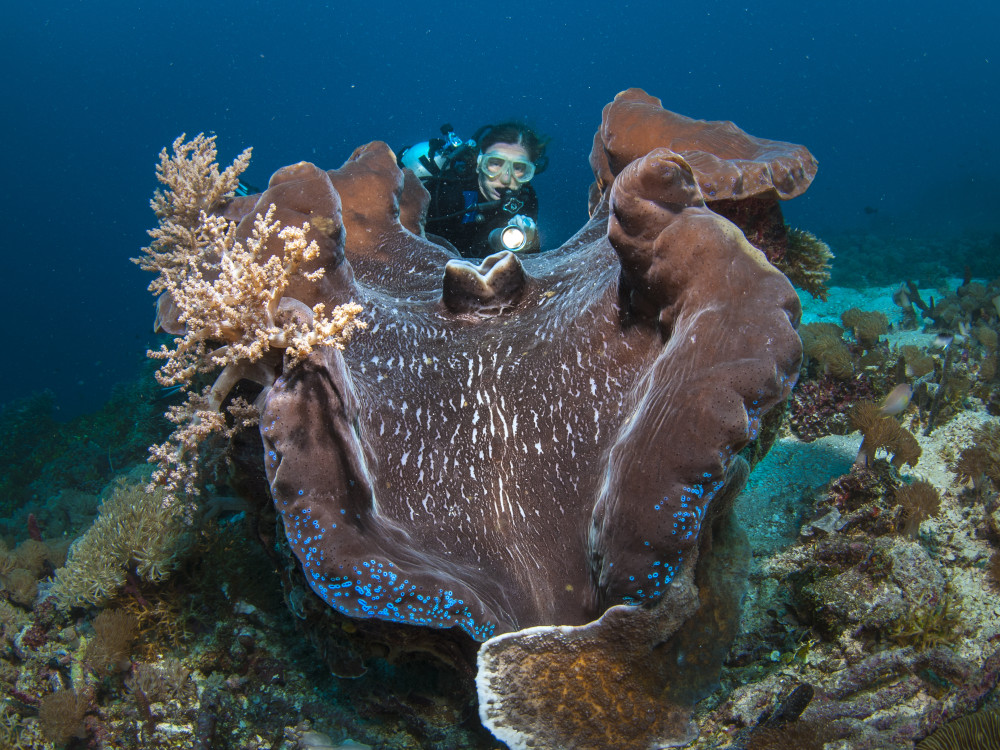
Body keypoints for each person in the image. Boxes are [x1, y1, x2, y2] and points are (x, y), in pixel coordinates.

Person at [398, 122, 548, 259]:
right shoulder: (448, 193)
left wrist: (529, 242)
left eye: (519, 168)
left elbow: (530, 263)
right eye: (495, 163)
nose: (506, 179)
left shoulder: (526, 199)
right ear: (479, 163)